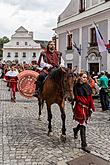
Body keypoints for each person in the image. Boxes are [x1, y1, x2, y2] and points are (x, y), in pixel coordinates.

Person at [72, 72, 95, 153]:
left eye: (86, 77)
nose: (85, 79)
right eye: (84, 77)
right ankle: (83, 145)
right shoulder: (76, 87)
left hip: (87, 108)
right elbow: (75, 98)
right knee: (83, 124)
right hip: (80, 107)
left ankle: (75, 130)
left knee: (82, 123)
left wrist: (92, 107)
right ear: (80, 77)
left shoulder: (87, 86)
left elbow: (90, 98)